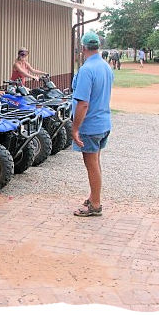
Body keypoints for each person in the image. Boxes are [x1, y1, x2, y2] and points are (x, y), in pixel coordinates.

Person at [71, 31, 114, 217]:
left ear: (83, 48)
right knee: (95, 161)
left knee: (91, 163)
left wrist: (75, 129)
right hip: (103, 122)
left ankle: (95, 204)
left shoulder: (87, 70)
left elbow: (83, 103)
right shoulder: (105, 66)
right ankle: (93, 196)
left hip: (91, 125)